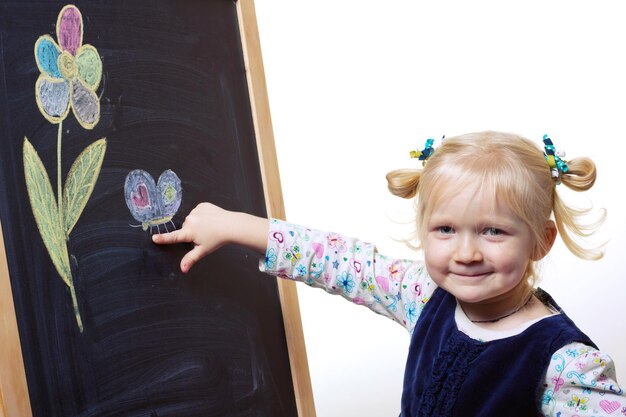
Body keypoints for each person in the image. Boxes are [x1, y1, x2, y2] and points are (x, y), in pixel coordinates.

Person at [153, 131, 624, 416]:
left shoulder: (565, 365)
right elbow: (338, 260)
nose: (465, 252)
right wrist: (235, 225)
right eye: (445, 229)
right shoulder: (423, 294)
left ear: (540, 240)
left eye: (493, 231)